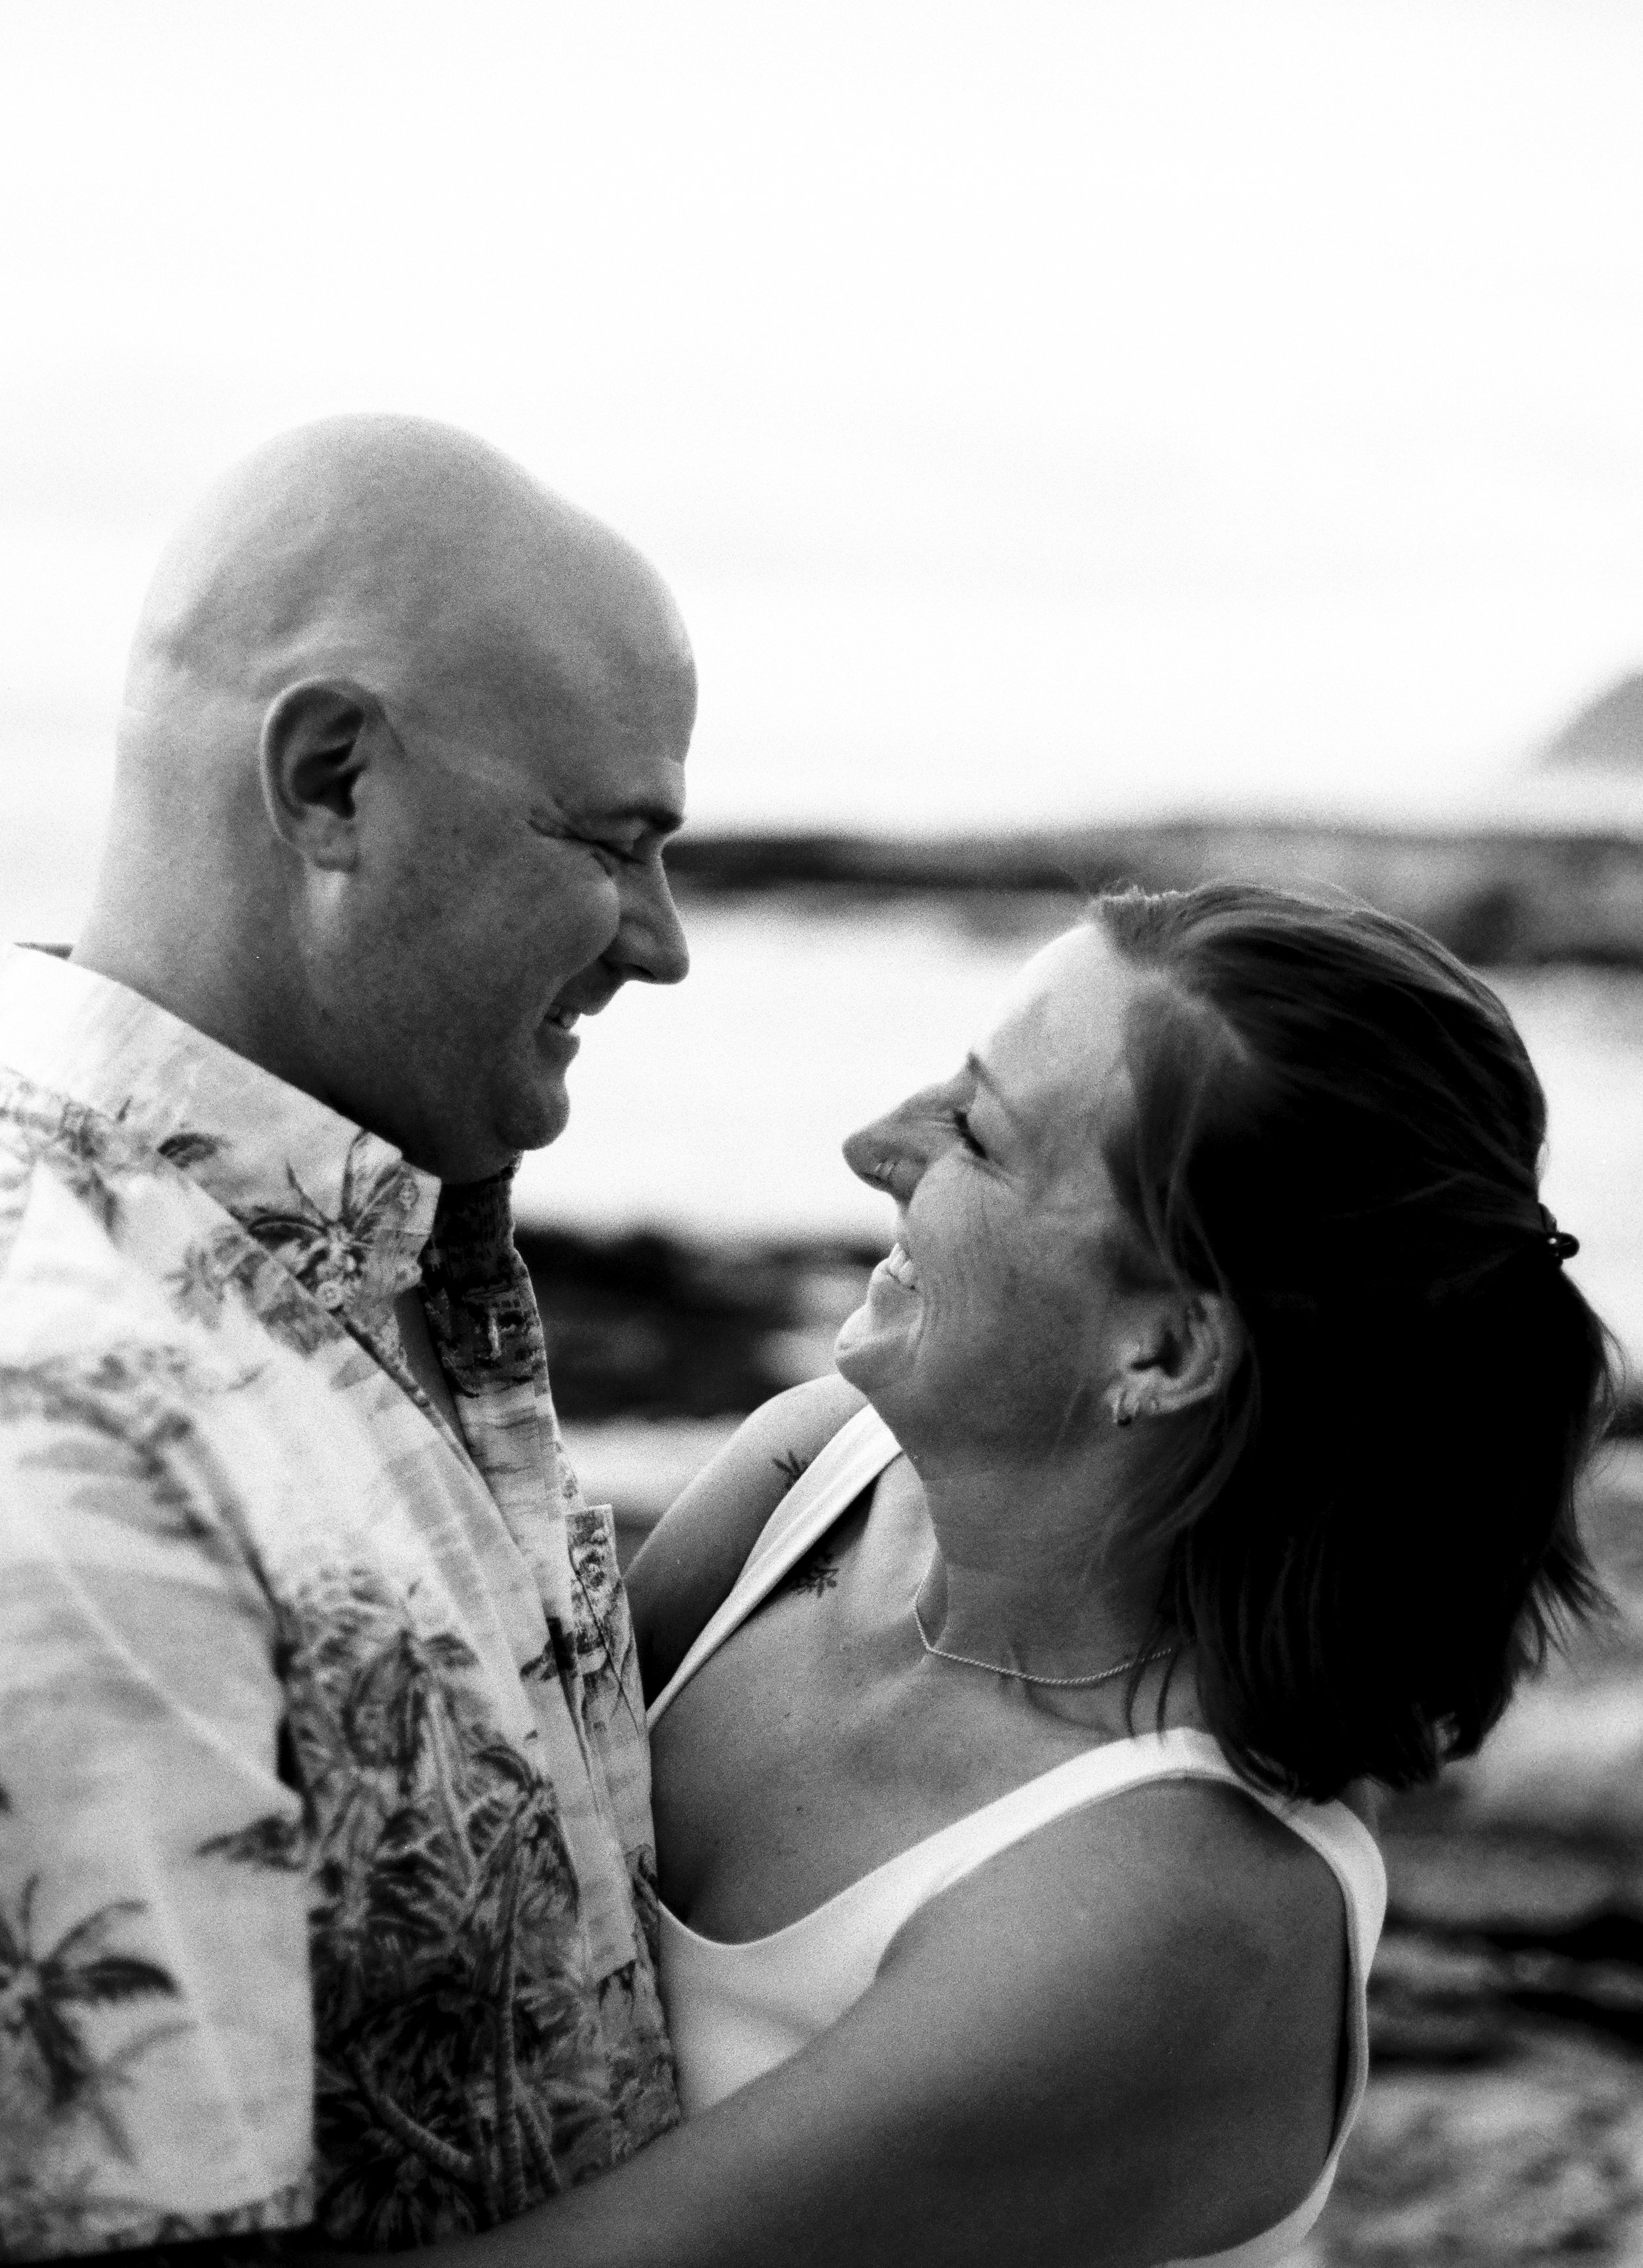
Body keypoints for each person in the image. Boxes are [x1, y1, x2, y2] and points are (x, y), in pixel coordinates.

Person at [445, 883, 1609, 2268]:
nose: (874, 1144)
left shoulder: (1167, 1903)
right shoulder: (812, 1477)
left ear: (1164, 1352)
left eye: (977, 1135)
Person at [0, 416, 697, 2250]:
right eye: (615, 844)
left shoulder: (358, 1267)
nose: (661, 941)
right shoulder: (85, 1444)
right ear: (331, 785)